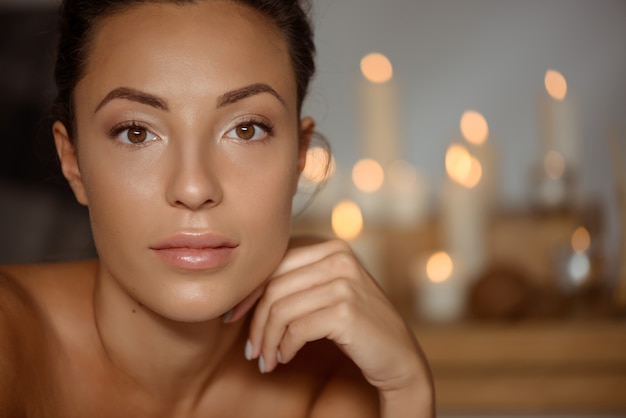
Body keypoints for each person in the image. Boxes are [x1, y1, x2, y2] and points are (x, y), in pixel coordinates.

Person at [0, 0, 434, 416]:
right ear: (72, 161)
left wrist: (408, 389)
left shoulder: (334, 377)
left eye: (246, 130)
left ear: (299, 157)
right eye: (136, 133)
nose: (193, 188)